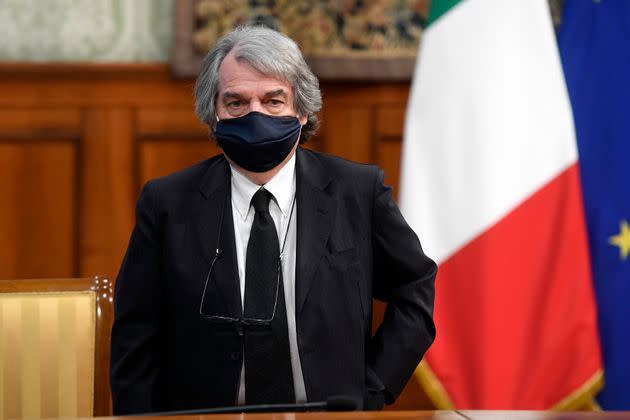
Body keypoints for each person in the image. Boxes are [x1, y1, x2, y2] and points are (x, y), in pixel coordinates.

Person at [110, 25, 436, 415]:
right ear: (212, 114)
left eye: (273, 101)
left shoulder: (358, 192)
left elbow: (414, 286)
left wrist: (374, 386)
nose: (255, 115)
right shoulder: (166, 203)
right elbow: (135, 336)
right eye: (236, 103)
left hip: (330, 414)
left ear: (301, 109)